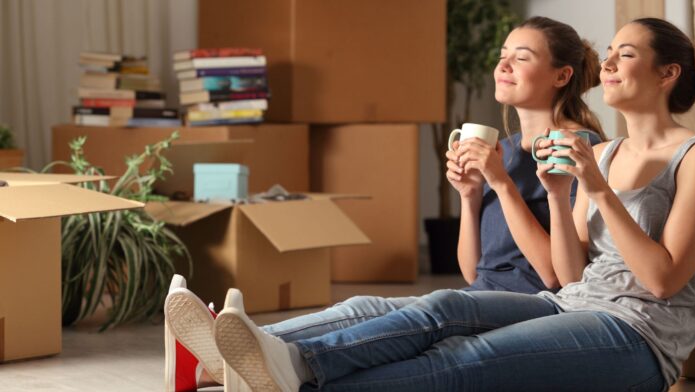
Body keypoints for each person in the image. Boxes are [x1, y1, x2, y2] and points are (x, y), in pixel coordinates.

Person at [211, 17, 695, 392]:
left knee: (464, 360)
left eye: (627, 54)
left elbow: (664, 281)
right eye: (612, 52)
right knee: (446, 306)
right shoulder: (606, 151)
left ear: (667, 74)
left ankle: (296, 375)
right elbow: (570, 278)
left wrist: (594, 189)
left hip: (640, 339)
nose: (610, 62)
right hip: (570, 305)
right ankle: (292, 363)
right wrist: (556, 195)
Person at [163, 16, 605, 390]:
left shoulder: (576, 147)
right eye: (503, 54)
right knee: (362, 307)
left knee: (431, 310)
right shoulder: (503, 150)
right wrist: (470, 198)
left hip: (537, 308)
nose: (503, 65)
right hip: (482, 294)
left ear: (561, 75)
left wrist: (501, 184)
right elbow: (476, 272)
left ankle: (286, 363)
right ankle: (215, 351)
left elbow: (555, 277)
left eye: (521, 58)